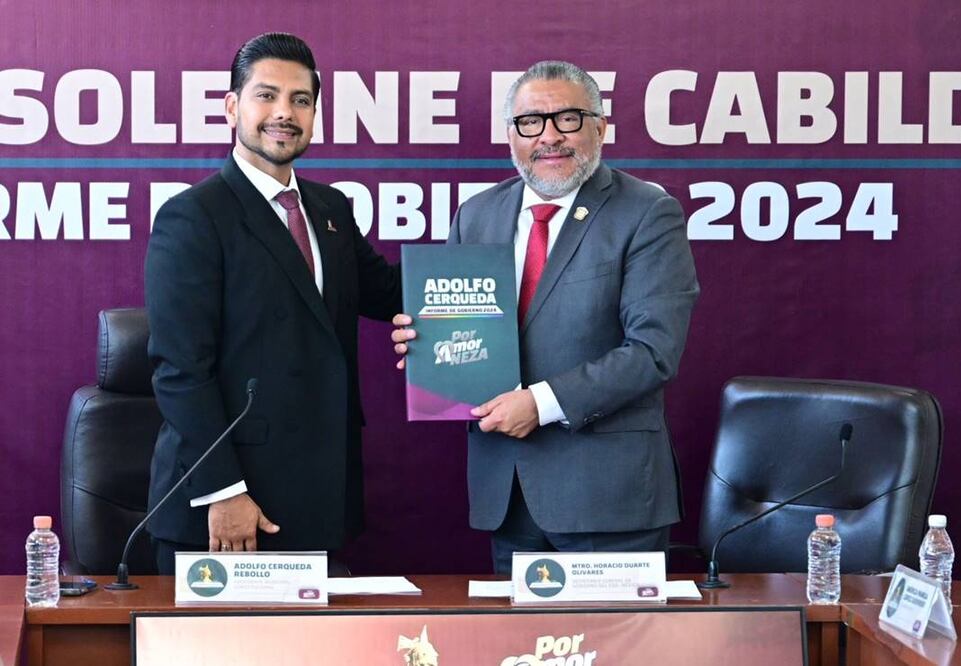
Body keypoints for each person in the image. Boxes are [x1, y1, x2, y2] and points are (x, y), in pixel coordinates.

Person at [392, 61, 699, 573]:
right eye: (530, 122)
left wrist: (540, 403)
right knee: (517, 631)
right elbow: (467, 336)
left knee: (616, 632)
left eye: (568, 119)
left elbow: (653, 352)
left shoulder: (647, 212)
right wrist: (429, 347)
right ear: (510, 134)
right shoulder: (476, 215)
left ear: (600, 127)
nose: (549, 136)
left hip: (608, 499)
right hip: (508, 492)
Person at [145, 33, 401, 573]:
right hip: (227, 510)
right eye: (266, 95)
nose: (284, 112)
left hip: (317, 495)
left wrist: (493, 267)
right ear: (232, 107)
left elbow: (390, 293)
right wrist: (222, 491)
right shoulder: (193, 216)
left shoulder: (331, 209)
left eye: (300, 100)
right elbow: (180, 371)